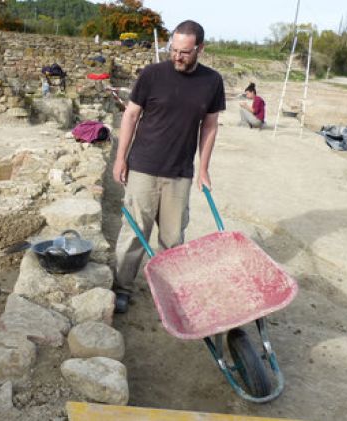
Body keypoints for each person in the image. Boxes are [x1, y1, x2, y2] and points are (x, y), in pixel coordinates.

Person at [111, 20, 225, 314]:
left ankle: (165, 292)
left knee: (173, 239)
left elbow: (210, 125)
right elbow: (131, 115)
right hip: (144, 167)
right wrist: (121, 157)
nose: (177, 56)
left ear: (200, 48)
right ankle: (122, 287)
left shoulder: (211, 82)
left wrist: (203, 169)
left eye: (185, 52)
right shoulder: (152, 74)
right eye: (173, 50)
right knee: (135, 232)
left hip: (179, 172)